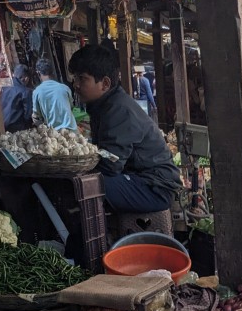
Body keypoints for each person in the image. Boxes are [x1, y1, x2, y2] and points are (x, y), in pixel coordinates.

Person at [69, 45, 180, 214]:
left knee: (89, 184)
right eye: (75, 78)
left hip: (155, 187)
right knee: (84, 182)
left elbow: (110, 165)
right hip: (138, 179)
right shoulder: (104, 105)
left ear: (105, 83)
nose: (75, 85)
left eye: (82, 79)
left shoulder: (118, 110)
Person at [32, 60, 77, 131]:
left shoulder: (37, 92)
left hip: (55, 136)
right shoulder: (65, 88)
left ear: (38, 73)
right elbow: (71, 107)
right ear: (52, 72)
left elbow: (37, 115)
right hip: (72, 131)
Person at [0, 64, 33, 132]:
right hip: (17, 129)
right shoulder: (26, 92)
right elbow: (28, 114)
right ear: (26, 78)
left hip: (3, 126)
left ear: (13, 75)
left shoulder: (5, 89)